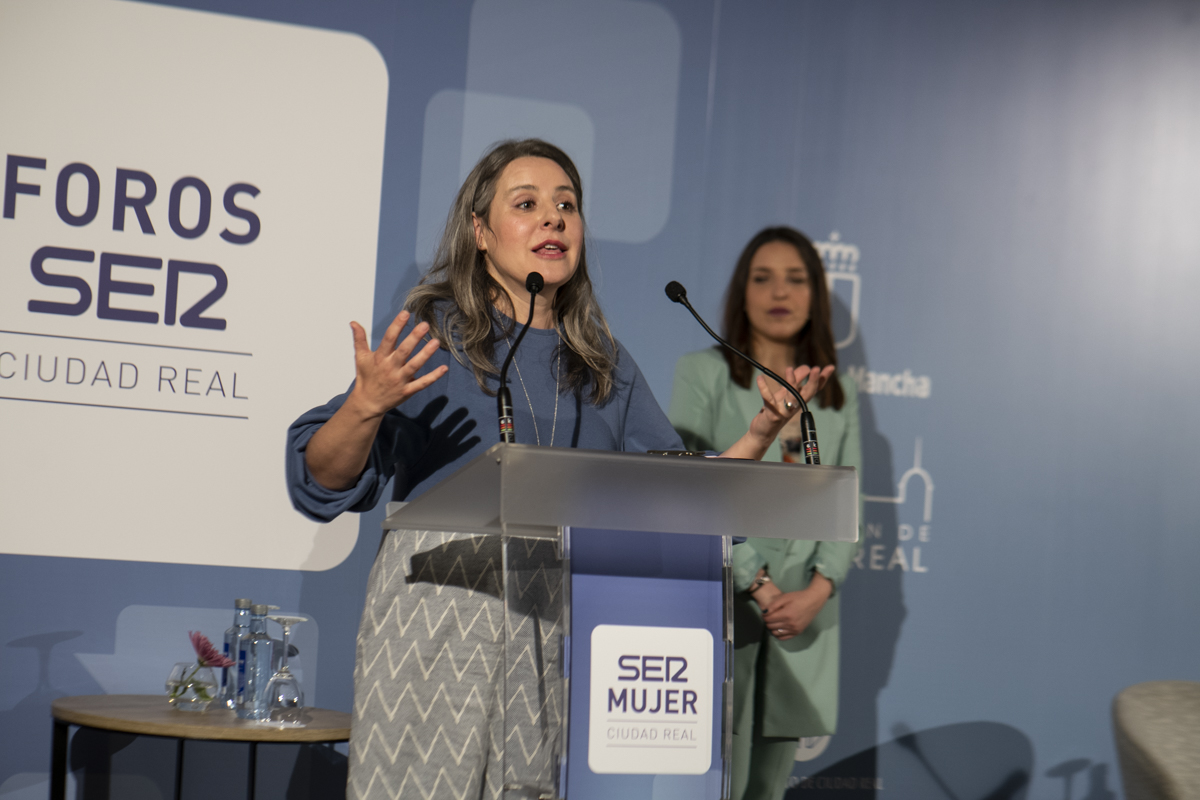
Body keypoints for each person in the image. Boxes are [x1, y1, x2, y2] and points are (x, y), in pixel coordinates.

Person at [285, 141, 831, 800]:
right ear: (480, 232)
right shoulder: (436, 333)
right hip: (437, 621)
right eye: (527, 204)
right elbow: (321, 478)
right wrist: (365, 406)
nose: (553, 218)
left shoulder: (602, 363)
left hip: (552, 631)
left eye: (566, 205)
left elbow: (686, 498)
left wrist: (759, 433)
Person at [668, 226, 862, 800]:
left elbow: (848, 503)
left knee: (768, 789)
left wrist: (817, 591)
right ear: (741, 292)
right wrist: (757, 582)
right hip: (724, 598)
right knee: (713, 782)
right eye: (763, 278)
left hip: (804, 614)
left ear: (815, 295)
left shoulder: (838, 393)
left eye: (796, 279)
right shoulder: (702, 373)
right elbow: (691, 485)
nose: (780, 292)